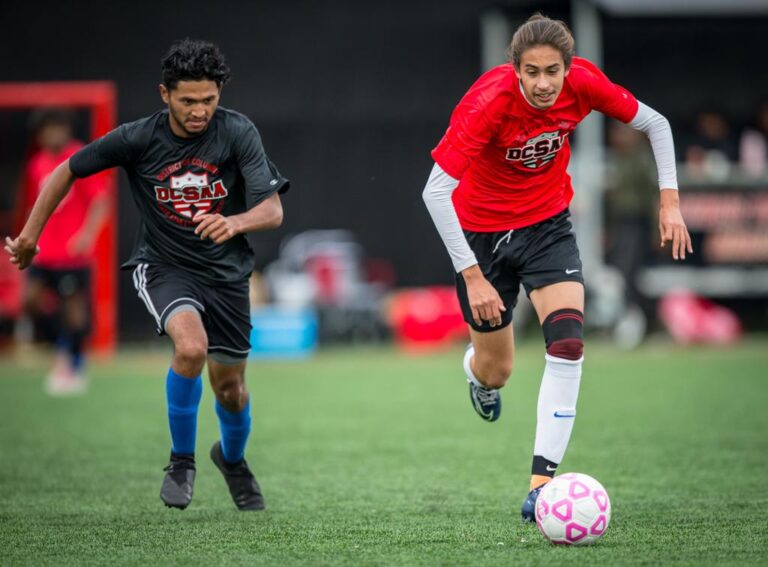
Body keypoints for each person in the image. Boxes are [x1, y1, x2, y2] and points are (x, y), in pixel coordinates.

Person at [422, 14, 692, 522]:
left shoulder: (585, 83)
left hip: (548, 227)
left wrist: (670, 201)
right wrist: (472, 276)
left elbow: (656, 124)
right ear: (515, 71)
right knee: (497, 370)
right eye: (532, 72)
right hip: (482, 238)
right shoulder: (487, 103)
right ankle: (475, 375)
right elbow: (434, 192)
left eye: (553, 71)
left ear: (569, 69)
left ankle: (541, 485)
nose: (544, 84)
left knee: (567, 344)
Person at [5, 39, 289, 511]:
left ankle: (232, 459)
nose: (200, 111)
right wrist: (30, 235)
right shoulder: (139, 137)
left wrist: (234, 222)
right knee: (191, 347)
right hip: (164, 266)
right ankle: (182, 460)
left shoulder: (238, 132)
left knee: (232, 390)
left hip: (226, 274)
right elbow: (65, 171)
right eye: (188, 100)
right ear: (165, 94)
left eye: (209, 100)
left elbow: (272, 209)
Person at [16, 109, 107, 395]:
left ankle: (74, 362)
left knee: (75, 315)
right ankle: (60, 349)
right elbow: (33, 206)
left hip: (72, 253)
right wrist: (26, 238)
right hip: (43, 252)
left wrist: (87, 235)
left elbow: (100, 200)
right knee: (30, 301)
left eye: (58, 128)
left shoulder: (80, 159)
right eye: (48, 129)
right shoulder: (36, 164)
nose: (53, 135)